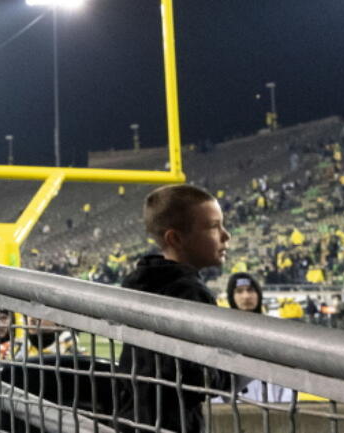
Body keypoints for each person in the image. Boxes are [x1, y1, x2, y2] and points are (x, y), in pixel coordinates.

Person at [115, 185, 231, 433]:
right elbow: (197, 375)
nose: (226, 235)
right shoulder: (191, 293)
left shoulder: (138, 283)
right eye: (213, 226)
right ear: (175, 238)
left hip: (130, 419)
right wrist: (231, 372)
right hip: (173, 424)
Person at [215, 273, 292, 404]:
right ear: (232, 297)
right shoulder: (222, 334)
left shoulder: (275, 331)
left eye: (250, 290)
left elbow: (288, 377)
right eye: (239, 291)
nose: (246, 296)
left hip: (274, 406)